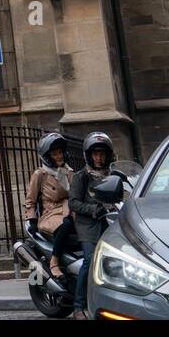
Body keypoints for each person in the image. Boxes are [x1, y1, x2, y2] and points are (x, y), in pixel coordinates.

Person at [68, 131, 116, 320]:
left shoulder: (113, 176)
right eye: (95, 153)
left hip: (110, 223)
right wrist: (93, 209)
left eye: (102, 153)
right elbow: (73, 203)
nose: (99, 157)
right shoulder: (82, 176)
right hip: (88, 226)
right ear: (89, 155)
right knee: (90, 261)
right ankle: (78, 307)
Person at [23, 132, 74, 276]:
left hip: (69, 210)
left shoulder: (69, 172)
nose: (59, 156)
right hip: (51, 214)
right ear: (47, 156)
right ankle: (54, 262)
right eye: (54, 154)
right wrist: (31, 219)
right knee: (66, 226)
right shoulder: (41, 174)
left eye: (60, 152)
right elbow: (30, 199)